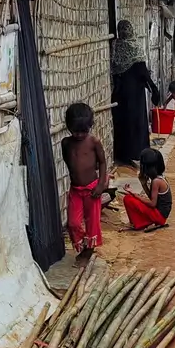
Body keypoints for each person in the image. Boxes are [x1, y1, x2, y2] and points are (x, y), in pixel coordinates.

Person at [61, 103, 108, 265]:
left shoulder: (94, 142)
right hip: (76, 190)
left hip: (92, 189)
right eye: (76, 131)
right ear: (68, 126)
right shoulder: (66, 143)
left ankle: (89, 250)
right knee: (73, 222)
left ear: (90, 127)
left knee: (92, 222)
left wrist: (101, 184)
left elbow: (102, 163)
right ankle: (82, 245)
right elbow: (70, 163)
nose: (80, 135)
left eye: (84, 131)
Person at [110, 20, 160, 167]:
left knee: (123, 122)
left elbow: (115, 71)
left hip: (120, 92)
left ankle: (124, 154)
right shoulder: (136, 46)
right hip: (135, 92)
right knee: (137, 121)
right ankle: (138, 152)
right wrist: (152, 88)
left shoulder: (116, 46)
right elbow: (142, 71)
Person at [122, 147, 172, 232]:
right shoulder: (159, 178)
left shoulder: (156, 181)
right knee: (133, 198)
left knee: (128, 199)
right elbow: (152, 198)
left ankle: (138, 223)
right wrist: (143, 184)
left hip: (159, 216)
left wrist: (135, 194)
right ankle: (142, 222)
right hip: (160, 215)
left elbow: (152, 203)